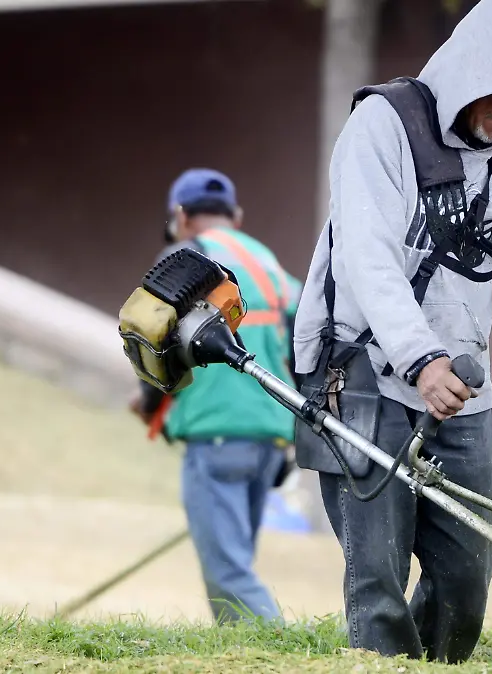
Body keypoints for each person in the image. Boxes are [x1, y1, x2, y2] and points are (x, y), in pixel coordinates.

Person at [290, 0, 492, 663]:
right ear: (471, 74)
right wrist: (421, 359)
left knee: (468, 578)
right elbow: (367, 257)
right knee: (378, 581)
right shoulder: (380, 126)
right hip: (357, 375)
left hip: (461, 388)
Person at [129, 167, 302, 624]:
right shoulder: (268, 264)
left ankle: (275, 653)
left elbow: (149, 338)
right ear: (236, 216)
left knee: (229, 574)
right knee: (237, 561)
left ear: (180, 215)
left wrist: (146, 405)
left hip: (216, 432)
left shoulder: (187, 260)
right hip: (271, 435)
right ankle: (251, 650)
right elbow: (306, 342)